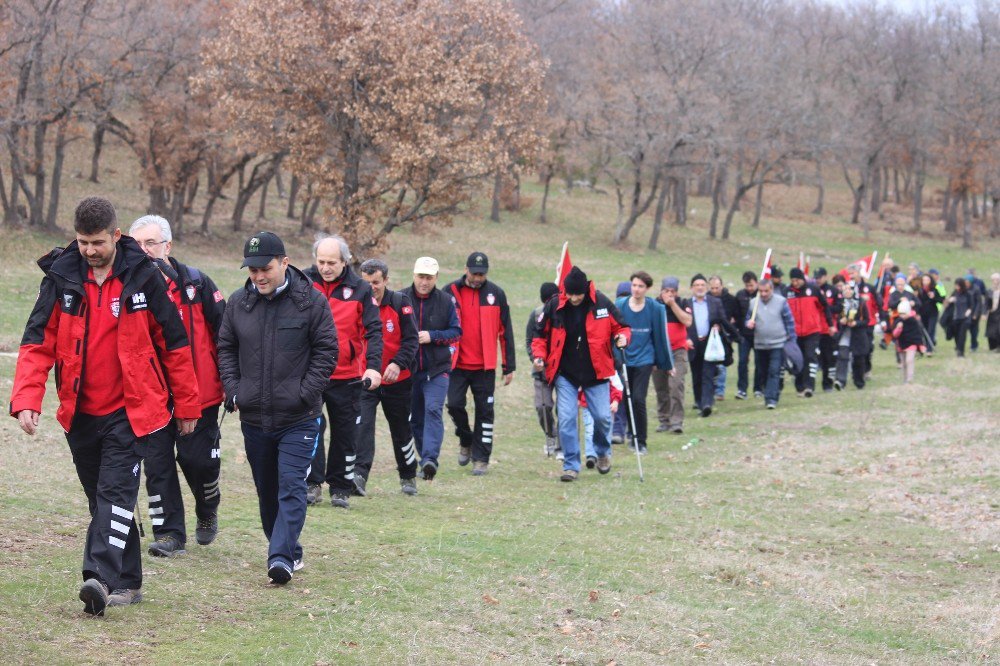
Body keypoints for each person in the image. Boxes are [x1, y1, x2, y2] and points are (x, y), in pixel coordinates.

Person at [9, 196, 201, 615]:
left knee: (115, 495)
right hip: (79, 413)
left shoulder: (145, 278)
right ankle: (129, 581)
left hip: (131, 412)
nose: (90, 250)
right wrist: (27, 397)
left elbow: (175, 344)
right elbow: (37, 341)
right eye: (82, 242)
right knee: (102, 501)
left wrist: (188, 404)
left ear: (117, 236)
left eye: (97, 242)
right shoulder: (60, 278)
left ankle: (97, 578)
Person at [217, 231, 338, 585]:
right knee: (267, 490)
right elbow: (225, 347)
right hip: (254, 417)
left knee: (290, 486)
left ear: (284, 262)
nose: (258, 276)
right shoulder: (239, 303)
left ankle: (280, 558)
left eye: (265, 268)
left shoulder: (311, 303)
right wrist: (235, 390)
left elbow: (327, 351)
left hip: (299, 417)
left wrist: (306, 392)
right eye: (252, 270)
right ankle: (287, 548)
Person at [128, 215, 227, 558]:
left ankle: (207, 504)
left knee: (197, 461)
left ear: (167, 246)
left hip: (201, 393)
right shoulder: (128, 288)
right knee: (157, 465)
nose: (143, 251)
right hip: (152, 397)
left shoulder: (196, 284)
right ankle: (169, 534)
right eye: (136, 244)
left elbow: (225, 334)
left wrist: (231, 381)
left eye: (150, 243)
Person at [531, 266, 630, 481]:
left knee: (603, 418)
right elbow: (539, 335)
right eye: (570, 293)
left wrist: (622, 338)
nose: (574, 298)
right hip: (565, 373)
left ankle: (602, 452)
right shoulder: (555, 305)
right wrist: (539, 356)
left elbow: (622, 327)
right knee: (566, 419)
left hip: (596, 372)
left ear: (586, 290)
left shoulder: (601, 303)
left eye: (578, 293)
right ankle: (571, 465)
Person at [305, 235, 383, 508]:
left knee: (345, 432)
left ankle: (340, 487)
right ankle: (311, 483)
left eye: (332, 262)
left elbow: (374, 331)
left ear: (345, 262)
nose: (325, 267)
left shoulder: (361, 289)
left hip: (347, 375)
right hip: (310, 373)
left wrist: (373, 367)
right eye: (321, 261)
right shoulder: (303, 281)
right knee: (309, 428)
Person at [446, 252, 516, 476]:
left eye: (482, 274)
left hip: (484, 367)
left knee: (485, 411)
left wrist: (509, 366)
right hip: (456, 364)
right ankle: (465, 439)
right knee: (455, 405)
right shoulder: (450, 292)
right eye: (475, 273)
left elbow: (506, 332)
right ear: (466, 269)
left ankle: (481, 458)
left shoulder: (496, 294)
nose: (478, 278)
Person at [357, 259, 420, 495]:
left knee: (401, 429)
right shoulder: (357, 303)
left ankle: (408, 476)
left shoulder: (400, 302)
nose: (371, 287)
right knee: (362, 426)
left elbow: (411, 340)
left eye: (376, 282)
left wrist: (397, 363)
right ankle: (359, 476)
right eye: (366, 283)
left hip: (398, 380)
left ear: (385, 280)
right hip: (366, 379)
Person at [402, 257, 461, 481]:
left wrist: (432, 336)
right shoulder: (401, 298)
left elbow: (456, 331)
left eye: (429, 277)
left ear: (436, 278)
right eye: (421, 277)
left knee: (433, 410)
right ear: (414, 275)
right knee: (415, 419)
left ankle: (430, 459)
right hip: (409, 370)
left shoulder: (446, 301)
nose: (424, 282)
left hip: (437, 369)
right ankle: (423, 458)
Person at [615, 270, 673, 454]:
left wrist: (667, 363)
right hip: (625, 359)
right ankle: (632, 435)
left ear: (647, 289)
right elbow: (613, 331)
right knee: (627, 398)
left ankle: (641, 441)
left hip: (644, 359)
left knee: (639, 398)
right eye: (634, 285)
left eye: (640, 286)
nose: (636, 289)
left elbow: (661, 336)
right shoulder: (620, 305)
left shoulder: (655, 308)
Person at [687, 274, 736, 417]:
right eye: (697, 285)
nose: (700, 288)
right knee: (696, 375)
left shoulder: (715, 302)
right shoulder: (687, 304)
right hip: (693, 344)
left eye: (702, 285)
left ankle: (707, 403)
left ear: (706, 287)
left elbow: (723, 320)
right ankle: (699, 401)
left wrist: (733, 334)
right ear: (692, 288)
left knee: (708, 374)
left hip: (710, 343)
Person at [745, 279, 796, 409]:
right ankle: (774, 390)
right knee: (763, 371)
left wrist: (791, 339)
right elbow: (748, 319)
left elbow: (789, 320)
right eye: (761, 291)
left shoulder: (780, 302)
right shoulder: (753, 303)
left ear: (771, 289)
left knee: (774, 370)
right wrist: (748, 323)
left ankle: (771, 399)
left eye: (766, 291)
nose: (763, 294)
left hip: (778, 343)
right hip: (760, 344)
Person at [652, 277, 692, 434]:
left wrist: (672, 304)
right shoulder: (654, 304)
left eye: (672, 291)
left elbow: (687, 321)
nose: (669, 294)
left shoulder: (683, 303)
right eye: (666, 291)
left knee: (676, 385)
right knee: (661, 387)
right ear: (661, 291)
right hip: (659, 352)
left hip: (678, 352)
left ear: (677, 292)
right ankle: (664, 420)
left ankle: (677, 422)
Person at [786, 267, 834, 397]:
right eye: (792, 280)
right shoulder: (787, 292)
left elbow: (825, 307)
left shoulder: (813, 290)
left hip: (812, 331)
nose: (795, 283)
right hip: (794, 333)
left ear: (802, 279)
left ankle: (809, 386)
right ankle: (799, 385)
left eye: (797, 280)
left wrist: (830, 325)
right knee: (798, 359)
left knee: (810, 357)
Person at [527, 282, 560, 457]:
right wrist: (535, 359)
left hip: (562, 370)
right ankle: (550, 434)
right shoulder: (537, 315)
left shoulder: (565, 314)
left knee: (564, 409)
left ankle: (563, 443)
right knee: (542, 405)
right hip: (541, 371)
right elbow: (529, 341)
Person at [833, 280, 869, 390]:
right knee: (842, 355)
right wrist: (841, 320)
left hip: (857, 334)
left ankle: (859, 381)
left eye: (849, 289)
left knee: (858, 359)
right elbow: (839, 315)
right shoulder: (842, 302)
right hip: (845, 333)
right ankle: (840, 380)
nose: (847, 291)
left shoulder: (861, 303)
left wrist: (856, 323)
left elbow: (867, 320)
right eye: (845, 289)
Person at [708, 276, 738, 401]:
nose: (715, 290)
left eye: (717, 287)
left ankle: (719, 391)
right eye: (712, 288)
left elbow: (736, 316)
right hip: (709, 336)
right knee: (709, 364)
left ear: (722, 286)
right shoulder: (705, 299)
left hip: (724, 335)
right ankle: (709, 390)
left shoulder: (730, 299)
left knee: (721, 364)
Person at [846, 263, 880, 378]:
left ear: (859, 273)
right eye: (849, 273)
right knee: (855, 349)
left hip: (868, 322)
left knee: (868, 347)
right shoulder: (848, 288)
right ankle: (857, 371)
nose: (851, 276)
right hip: (852, 322)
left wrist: (881, 317)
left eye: (853, 273)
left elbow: (878, 303)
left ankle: (867, 369)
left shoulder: (869, 288)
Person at [734, 271, 760, 400]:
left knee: (759, 362)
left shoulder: (762, 295)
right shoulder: (740, 295)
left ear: (756, 283)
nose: (749, 288)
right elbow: (736, 315)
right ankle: (742, 389)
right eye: (747, 285)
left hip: (759, 335)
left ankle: (758, 388)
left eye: (751, 285)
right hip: (744, 336)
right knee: (743, 362)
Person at [813, 268, 838, 392]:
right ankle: (808, 385)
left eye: (819, 277)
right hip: (814, 329)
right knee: (814, 357)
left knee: (828, 358)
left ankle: (827, 384)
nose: (817, 280)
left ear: (825, 277)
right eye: (816, 278)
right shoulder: (812, 290)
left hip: (828, 329)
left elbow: (839, 307)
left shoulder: (833, 291)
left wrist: (825, 307)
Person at [892, 299, 924, 384]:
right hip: (901, 344)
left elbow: (918, 333)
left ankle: (910, 379)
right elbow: (894, 335)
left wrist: (920, 345)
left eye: (904, 313)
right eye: (901, 314)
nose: (902, 316)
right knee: (904, 363)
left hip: (912, 344)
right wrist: (898, 328)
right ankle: (905, 379)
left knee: (909, 360)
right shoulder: (898, 321)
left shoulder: (913, 321)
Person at [945, 278, 978, 357]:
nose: (957, 287)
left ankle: (961, 352)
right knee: (956, 335)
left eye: (958, 285)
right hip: (955, 318)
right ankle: (958, 348)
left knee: (962, 335)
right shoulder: (954, 293)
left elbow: (971, 305)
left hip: (965, 318)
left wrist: (968, 312)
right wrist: (950, 300)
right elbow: (947, 304)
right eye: (956, 285)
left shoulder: (968, 294)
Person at [917, 273, 944, 349]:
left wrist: (934, 297)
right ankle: (926, 345)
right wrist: (917, 313)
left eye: (927, 280)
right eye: (924, 280)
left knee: (931, 330)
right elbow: (918, 302)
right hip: (923, 313)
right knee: (923, 330)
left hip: (933, 313)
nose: (925, 282)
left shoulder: (934, 289)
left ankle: (929, 349)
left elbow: (941, 300)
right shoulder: (920, 290)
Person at [965, 269, 987, 351]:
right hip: (966, 313)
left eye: (967, 282)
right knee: (962, 330)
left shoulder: (976, 289)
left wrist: (976, 314)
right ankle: (960, 345)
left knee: (974, 331)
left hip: (974, 313)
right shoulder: (964, 289)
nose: (966, 284)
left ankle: (974, 345)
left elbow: (979, 302)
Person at [987, 273, 1000, 352]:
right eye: (993, 280)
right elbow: (987, 302)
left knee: (998, 330)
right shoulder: (990, 291)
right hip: (992, 313)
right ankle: (993, 346)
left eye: (996, 280)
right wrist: (985, 312)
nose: (995, 281)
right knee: (991, 331)